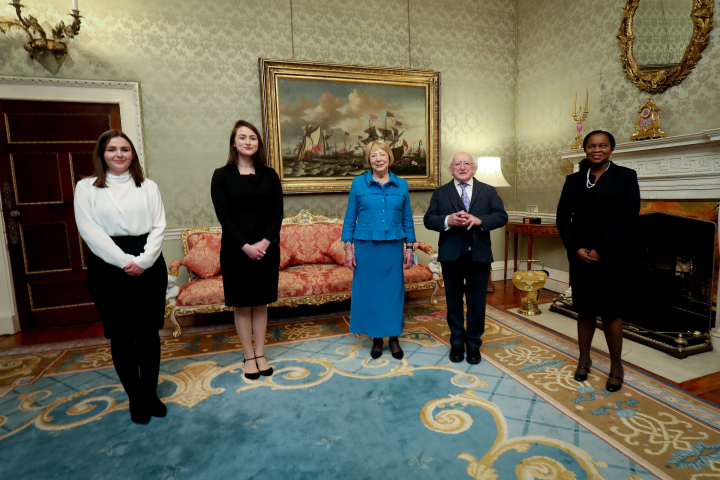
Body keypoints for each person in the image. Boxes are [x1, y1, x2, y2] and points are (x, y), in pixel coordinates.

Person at [74, 130, 168, 425]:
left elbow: (159, 226)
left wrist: (143, 261)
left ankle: (151, 394)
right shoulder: (86, 187)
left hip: (149, 262)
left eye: (125, 149)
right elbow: (90, 232)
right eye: (112, 149)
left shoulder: (148, 185)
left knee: (149, 334)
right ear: (101, 154)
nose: (119, 154)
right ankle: (136, 399)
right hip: (108, 266)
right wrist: (124, 261)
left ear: (133, 154)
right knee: (123, 336)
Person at [557, 130, 640, 392]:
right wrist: (577, 249)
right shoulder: (573, 180)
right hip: (581, 256)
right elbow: (562, 218)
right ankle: (584, 358)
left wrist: (601, 249)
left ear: (611, 149)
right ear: (585, 150)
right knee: (585, 309)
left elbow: (628, 216)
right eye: (591, 146)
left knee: (611, 312)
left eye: (602, 145)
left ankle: (617, 365)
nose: (597, 149)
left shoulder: (625, 176)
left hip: (612, 256)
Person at [211, 120, 283, 380]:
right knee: (242, 305)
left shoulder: (270, 175)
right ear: (234, 142)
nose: (248, 142)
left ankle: (261, 353)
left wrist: (264, 243)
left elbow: (277, 213)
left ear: (258, 143)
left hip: (266, 249)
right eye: (242, 137)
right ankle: (248, 355)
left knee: (261, 303)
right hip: (235, 250)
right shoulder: (221, 175)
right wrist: (245, 246)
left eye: (253, 137)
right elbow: (224, 216)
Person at [423, 152, 508, 364]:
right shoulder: (441, 193)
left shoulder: (488, 191)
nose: (462, 167)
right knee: (453, 302)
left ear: (474, 168)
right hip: (451, 255)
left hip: (479, 254)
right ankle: (457, 343)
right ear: (450, 169)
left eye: (467, 163)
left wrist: (480, 220)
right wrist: (447, 220)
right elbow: (428, 219)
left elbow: (501, 216)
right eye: (457, 164)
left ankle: (473, 345)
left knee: (477, 303)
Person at [342, 140, 415, 360]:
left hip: (392, 248)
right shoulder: (358, 183)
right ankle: (376, 338)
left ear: (389, 158)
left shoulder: (401, 184)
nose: (378, 159)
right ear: (368, 160)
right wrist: (348, 247)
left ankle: (393, 337)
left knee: (392, 294)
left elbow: (407, 218)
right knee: (371, 294)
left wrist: (409, 247)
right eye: (373, 156)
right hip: (366, 248)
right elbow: (349, 218)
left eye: (382, 155)